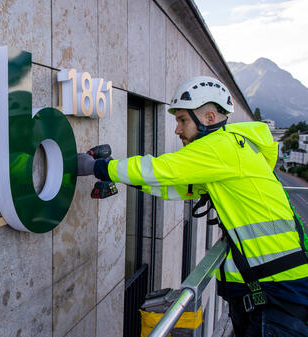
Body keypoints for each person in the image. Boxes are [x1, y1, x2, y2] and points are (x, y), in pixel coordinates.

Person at [78, 76, 308, 337]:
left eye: (182, 120)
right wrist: (126, 180)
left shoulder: (218, 147)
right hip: (276, 290)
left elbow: (162, 169)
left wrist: (98, 168)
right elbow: (177, 187)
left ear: (209, 118)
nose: (177, 130)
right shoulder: (232, 148)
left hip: (276, 294)